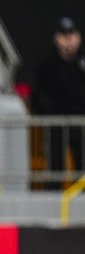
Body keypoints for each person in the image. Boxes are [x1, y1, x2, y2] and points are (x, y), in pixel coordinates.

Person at [31, 16, 85, 188]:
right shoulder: (47, 67)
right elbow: (36, 96)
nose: (68, 40)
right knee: (55, 168)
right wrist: (45, 118)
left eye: (72, 34)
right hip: (56, 126)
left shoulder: (82, 64)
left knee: (82, 166)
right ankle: (53, 207)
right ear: (56, 38)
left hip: (82, 126)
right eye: (63, 35)